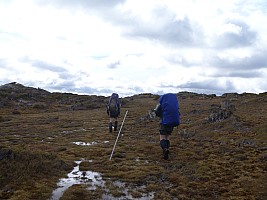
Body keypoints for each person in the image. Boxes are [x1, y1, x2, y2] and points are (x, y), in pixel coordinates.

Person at [154, 93, 180, 160]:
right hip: (171, 123)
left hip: (164, 122)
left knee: (162, 137)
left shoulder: (161, 104)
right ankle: (167, 148)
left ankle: (165, 149)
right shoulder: (174, 104)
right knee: (167, 137)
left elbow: (157, 112)